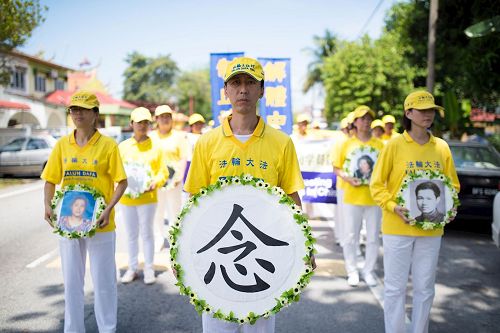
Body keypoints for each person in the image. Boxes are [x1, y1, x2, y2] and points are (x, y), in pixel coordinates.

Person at [183, 56, 313, 333]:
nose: (243, 89)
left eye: (250, 83)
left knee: (260, 326)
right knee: (218, 324)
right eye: (236, 83)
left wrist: (306, 245)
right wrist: (182, 252)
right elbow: (193, 201)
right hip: (216, 255)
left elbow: (291, 198)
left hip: (265, 256)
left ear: (262, 90)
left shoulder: (281, 142)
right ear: (226, 92)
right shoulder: (207, 143)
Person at [370, 90, 460, 333]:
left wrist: (450, 207)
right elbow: (376, 185)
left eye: (431, 110)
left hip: (431, 231)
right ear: (408, 113)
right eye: (422, 110)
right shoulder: (394, 145)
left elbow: (452, 185)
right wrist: (392, 206)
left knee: (425, 287)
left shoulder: (441, 147)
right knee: (395, 287)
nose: (428, 114)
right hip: (396, 228)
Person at [42, 90, 128, 333]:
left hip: (100, 224)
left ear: (95, 114)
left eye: (83, 109)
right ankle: (73, 329)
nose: (77, 113)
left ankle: (107, 328)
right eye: (73, 109)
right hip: (68, 224)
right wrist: (47, 205)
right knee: (71, 282)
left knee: (103, 282)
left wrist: (108, 209)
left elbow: (121, 182)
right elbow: (50, 179)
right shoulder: (62, 145)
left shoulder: (108, 146)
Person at [333, 105, 384, 287]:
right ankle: (352, 271)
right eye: (362, 119)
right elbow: (337, 168)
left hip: (374, 198)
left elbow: (385, 170)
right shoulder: (346, 144)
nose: (366, 122)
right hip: (352, 196)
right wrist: (347, 178)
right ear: (355, 122)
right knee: (350, 236)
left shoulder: (380, 145)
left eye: (369, 118)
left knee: (372, 237)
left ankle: (369, 271)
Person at [118, 107, 169, 285]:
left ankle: (148, 269)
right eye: (139, 122)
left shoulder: (156, 146)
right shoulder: (123, 147)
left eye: (146, 122)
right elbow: (116, 172)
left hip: (148, 198)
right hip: (127, 198)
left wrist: (156, 182)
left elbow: (163, 172)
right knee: (131, 235)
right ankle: (132, 268)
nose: (142, 126)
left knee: (147, 233)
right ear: (131, 124)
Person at [150, 105, 189, 250]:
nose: (165, 119)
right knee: (157, 211)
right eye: (162, 117)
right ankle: (158, 239)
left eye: (168, 116)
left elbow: (184, 157)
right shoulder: (151, 136)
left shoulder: (179, 136)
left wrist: (179, 177)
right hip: (156, 179)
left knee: (175, 210)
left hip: (174, 179)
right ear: (157, 119)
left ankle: (175, 240)